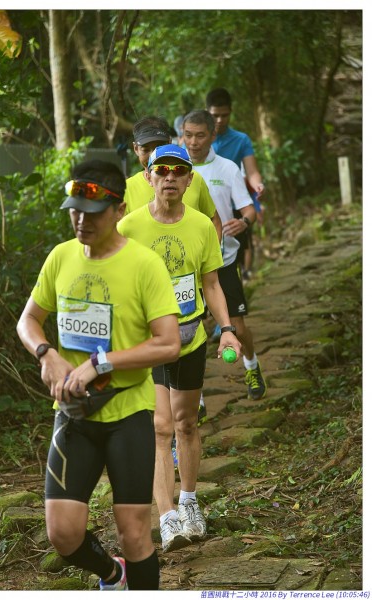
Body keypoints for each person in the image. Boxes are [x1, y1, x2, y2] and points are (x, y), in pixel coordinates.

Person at [16, 159, 182, 591]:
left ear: (119, 210)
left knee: (134, 533)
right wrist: (46, 353)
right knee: (62, 534)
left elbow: (168, 343)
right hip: (75, 413)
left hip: (128, 412)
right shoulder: (61, 257)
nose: (81, 220)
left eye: (92, 213)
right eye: (74, 210)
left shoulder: (144, 264)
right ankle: (112, 574)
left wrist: (101, 362)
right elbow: (28, 320)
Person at [117, 144, 242, 554]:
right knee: (160, 427)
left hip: (190, 339)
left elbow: (211, 284)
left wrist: (227, 329)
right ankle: (168, 517)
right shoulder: (129, 227)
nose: (169, 176)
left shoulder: (202, 226)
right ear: (149, 176)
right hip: (149, 343)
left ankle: (189, 502)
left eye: (178, 171)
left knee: (186, 423)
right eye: (162, 170)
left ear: (190, 180)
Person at [182, 109, 267, 402]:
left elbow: (249, 210)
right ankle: (195, 400)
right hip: (185, 268)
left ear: (212, 136)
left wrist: (243, 222)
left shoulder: (228, 168)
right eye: (188, 135)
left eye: (200, 135)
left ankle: (252, 366)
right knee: (188, 335)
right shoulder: (173, 169)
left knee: (238, 328)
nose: (193, 142)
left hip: (223, 262)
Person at [124, 115, 222, 242]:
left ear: (170, 142)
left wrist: (212, 253)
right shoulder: (126, 188)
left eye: (159, 148)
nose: (153, 155)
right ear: (136, 149)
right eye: (146, 149)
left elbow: (214, 220)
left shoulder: (194, 180)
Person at [206, 87, 265, 280]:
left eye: (224, 115)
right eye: (215, 115)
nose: (219, 120)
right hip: (207, 206)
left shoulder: (241, 140)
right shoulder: (197, 140)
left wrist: (258, 185)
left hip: (235, 206)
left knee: (237, 257)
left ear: (231, 112)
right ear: (207, 112)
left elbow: (252, 171)